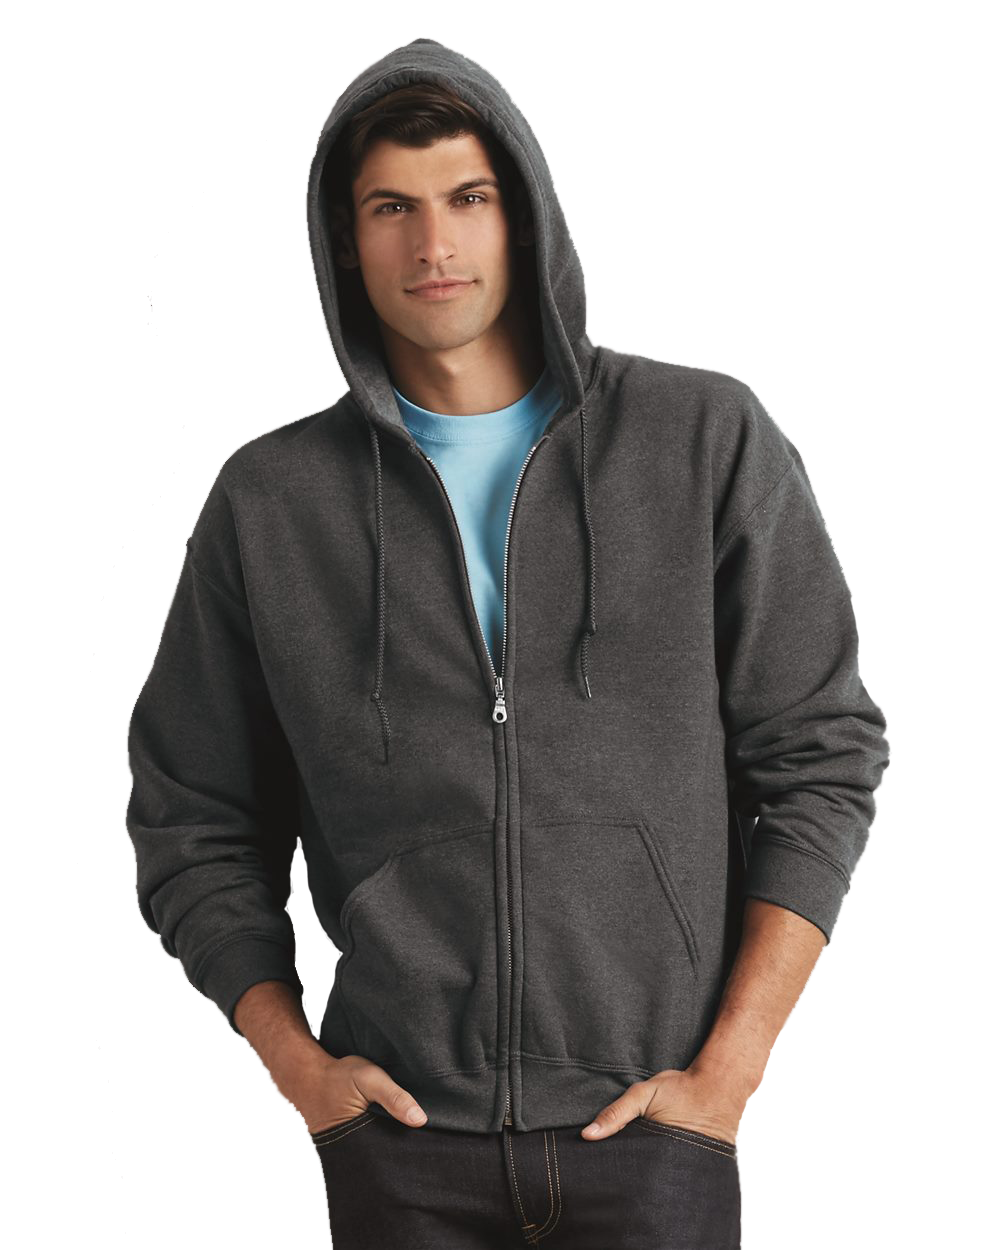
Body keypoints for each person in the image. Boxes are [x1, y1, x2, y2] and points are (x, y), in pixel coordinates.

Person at [123, 34, 892, 1250]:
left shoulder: (700, 439)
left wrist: (728, 1073)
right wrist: (300, 1070)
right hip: (401, 1146)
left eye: (467, 198)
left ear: (523, 214)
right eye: (392, 207)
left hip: (657, 1132)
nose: (433, 244)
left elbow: (821, 755)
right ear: (343, 240)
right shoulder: (271, 504)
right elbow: (190, 814)